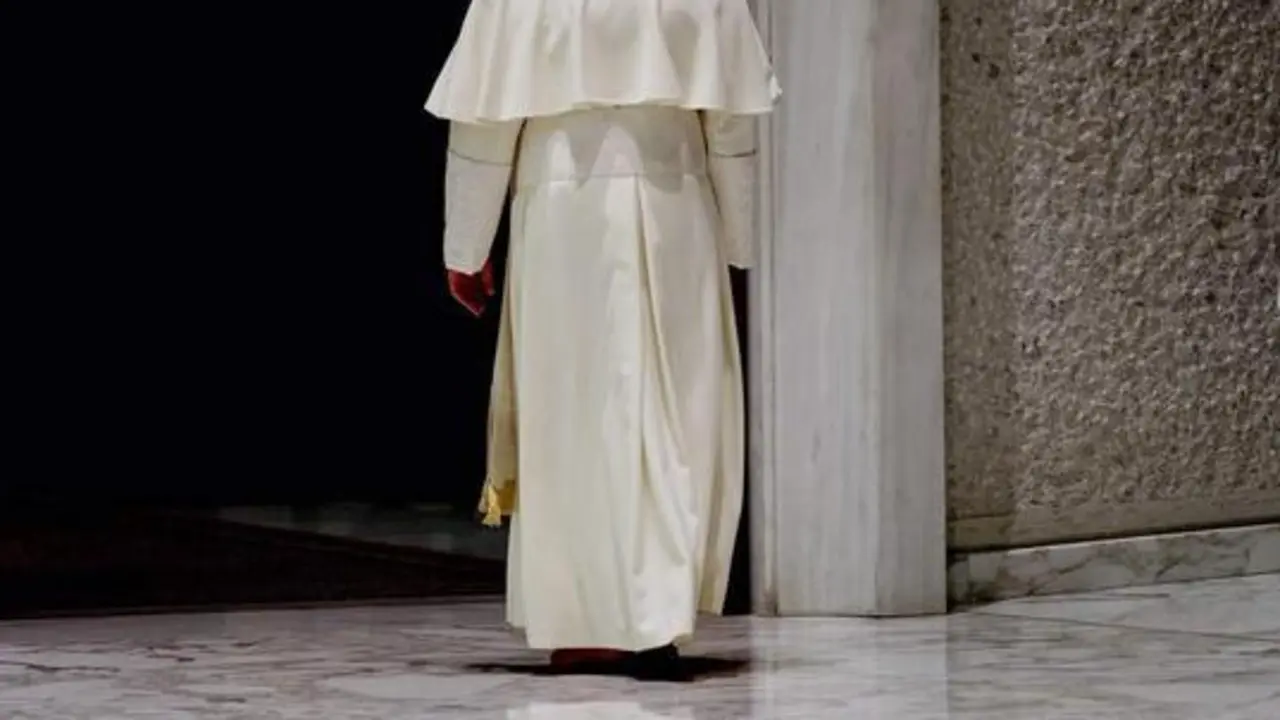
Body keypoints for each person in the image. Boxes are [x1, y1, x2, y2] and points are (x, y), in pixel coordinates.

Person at [425, 0, 778, 680]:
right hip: (674, 192)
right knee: (672, 407)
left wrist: (465, 246)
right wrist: (739, 235)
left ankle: (590, 619)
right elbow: (730, 118)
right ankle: (654, 607)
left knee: (577, 413)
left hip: (563, 206)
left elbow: (485, 121)